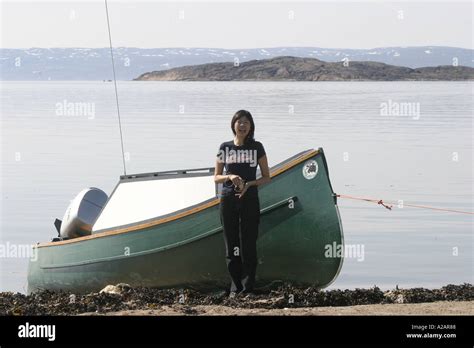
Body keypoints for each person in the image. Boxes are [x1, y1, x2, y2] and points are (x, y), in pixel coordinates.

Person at [214, 110, 271, 296]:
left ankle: (247, 288)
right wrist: (230, 176)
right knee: (231, 245)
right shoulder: (225, 147)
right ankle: (235, 287)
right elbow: (216, 177)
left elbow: (266, 177)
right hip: (228, 199)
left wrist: (250, 183)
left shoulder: (257, 147)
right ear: (233, 125)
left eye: (246, 122)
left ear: (251, 127)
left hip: (250, 199)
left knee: (249, 243)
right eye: (239, 122)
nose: (242, 125)